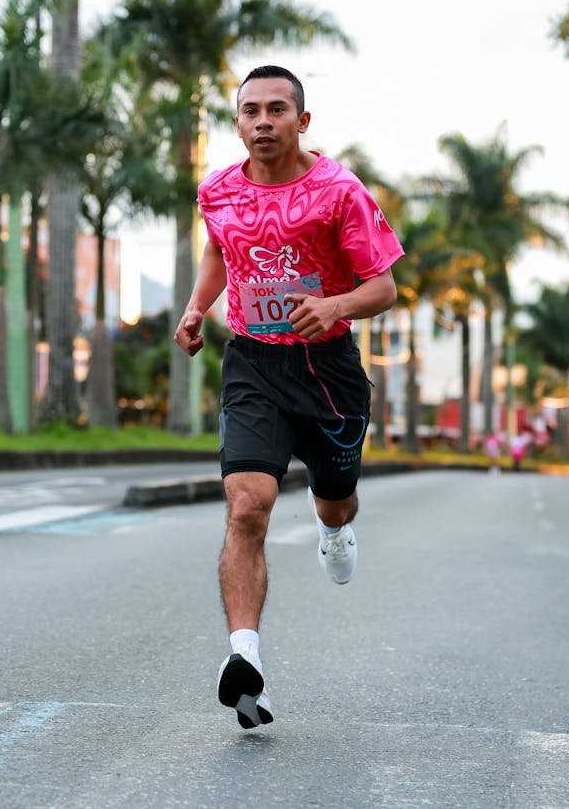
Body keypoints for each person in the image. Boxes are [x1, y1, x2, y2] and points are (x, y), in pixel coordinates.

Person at [173, 65, 404, 730]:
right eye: (251, 111)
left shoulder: (339, 191)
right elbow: (221, 251)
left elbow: (383, 287)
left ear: (303, 121)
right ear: (239, 122)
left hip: (328, 369)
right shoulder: (217, 192)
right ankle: (244, 659)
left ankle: (334, 527)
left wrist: (333, 303)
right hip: (254, 363)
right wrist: (196, 308)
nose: (263, 121)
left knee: (336, 495)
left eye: (278, 110)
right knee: (248, 505)